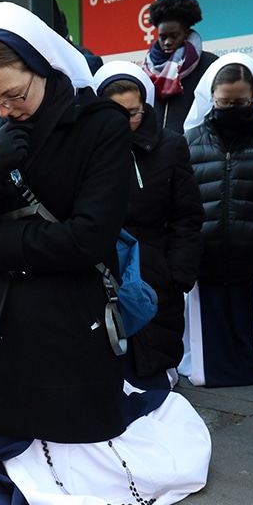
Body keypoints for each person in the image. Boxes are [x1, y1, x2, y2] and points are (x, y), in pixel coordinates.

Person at [0, 2, 211, 505]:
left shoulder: (100, 125)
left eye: (14, 94)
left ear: (43, 67)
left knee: (68, 434)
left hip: (64, 314)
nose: (4, 108)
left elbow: (90, 237)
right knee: (7, 427)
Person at [180, 53, 253, 387]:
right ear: (210, 99)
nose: (232, 109)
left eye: (241, 102)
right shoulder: (190, 142)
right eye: (224, 103)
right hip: (205, 260)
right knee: (206, 356)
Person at [93, 61, 204, 386]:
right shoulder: (86, 148)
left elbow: (188, 214)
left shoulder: (170, 146)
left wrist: (177, 272)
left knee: (154, 366)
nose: (125, 122)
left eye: (133, 112)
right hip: (102, 264)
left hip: (156, 268)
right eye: (114, 113)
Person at [141, 0, 218, 133]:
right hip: (154, 147)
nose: (167, 42)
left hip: (193, 146)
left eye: (174, 36)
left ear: (186, 33)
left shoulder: (210, 64)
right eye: (162, 37)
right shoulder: (147, 68)